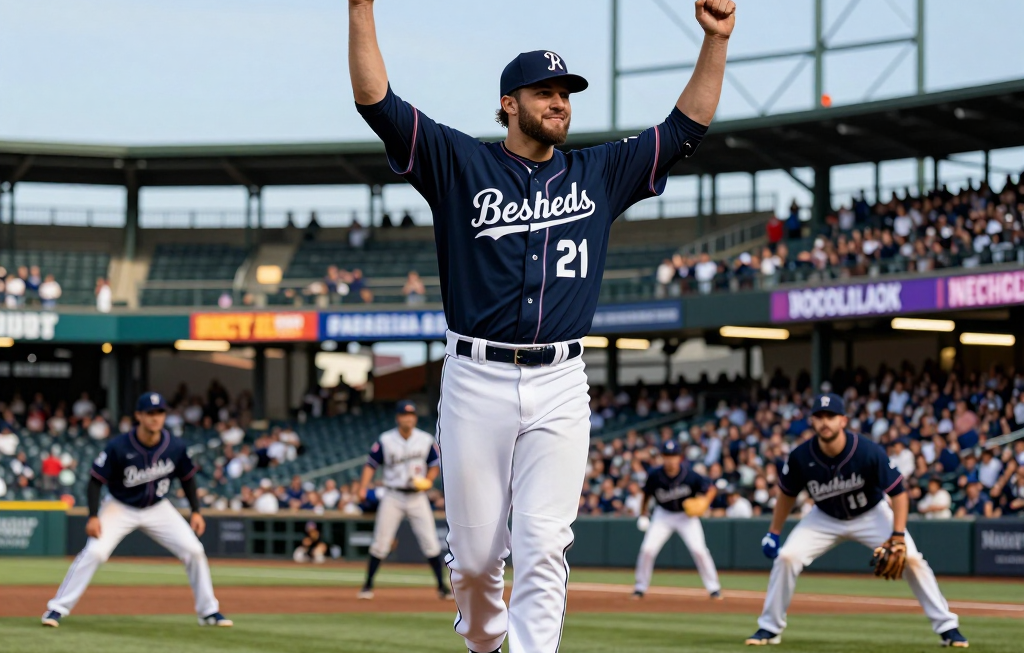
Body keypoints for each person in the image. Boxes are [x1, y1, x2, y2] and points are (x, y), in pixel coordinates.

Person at [349, 0, 732, 650]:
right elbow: (375, 101)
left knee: (545, 544)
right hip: (476, 377)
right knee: (476, 564)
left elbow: (684, 128)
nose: (560, 103)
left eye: (566, 94)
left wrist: (715, 40)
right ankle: (483, 640)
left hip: (561, 380)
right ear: (509, 104)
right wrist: (361, 8)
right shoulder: (459, 162)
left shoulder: (599, 171)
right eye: (545, 93)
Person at [745, 394, 965, 648]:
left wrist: (897, 535)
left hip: (871, 514)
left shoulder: (867, 451)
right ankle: (769, 627)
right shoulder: (800, 456)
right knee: (786, 557)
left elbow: (898, 493)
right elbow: (787, 494)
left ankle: (948, 627)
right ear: (812, 421)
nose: (825, 422)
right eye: (819, 416)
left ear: (843, 420)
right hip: (824, 517)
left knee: (912, 559)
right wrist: (774, 531)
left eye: (831, 416)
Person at [41, 393, 231, 628]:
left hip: (157, 507)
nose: (155, 418)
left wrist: (196, 511)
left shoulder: (175, 446)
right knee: (96, 552)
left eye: (160, 413)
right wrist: (93, 516)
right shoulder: (119, 446)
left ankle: (209, 611)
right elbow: (95, 481)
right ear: (139, 416)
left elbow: (188, 478)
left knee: (194, 550)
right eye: (150, 413)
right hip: (120, 506)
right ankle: (57, 609)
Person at [355, 400, 452, 601]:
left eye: (411, 415)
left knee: (430, 542)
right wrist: (363, 487)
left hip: (417, 496)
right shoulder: (386, 440)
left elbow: (434, 464)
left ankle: (442, 587)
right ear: (398, 418)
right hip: (393, 495)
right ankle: (367, 585)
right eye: (405, 415)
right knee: (381, 542)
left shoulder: (425, 440)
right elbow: (371, 465)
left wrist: (428, 480)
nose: (408, 418)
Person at [631, 440, 722, 600]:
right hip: (663, 515)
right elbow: (646, 494)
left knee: (699, 551)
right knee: (647, 550)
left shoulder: (690, 475)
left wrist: (705, 501)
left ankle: (714, 588)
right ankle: (640, 587)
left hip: (686, 517)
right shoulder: (655, 475)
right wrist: (643, 513)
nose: (670, 459)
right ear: (662, 457)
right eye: (667, 456)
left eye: (673, 456)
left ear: (679, 457)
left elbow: (711, 488)